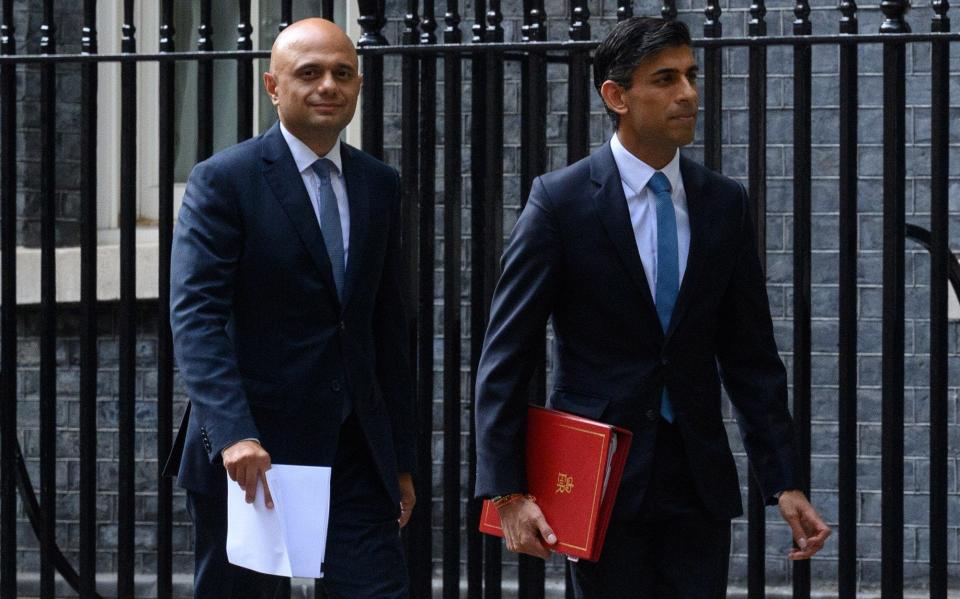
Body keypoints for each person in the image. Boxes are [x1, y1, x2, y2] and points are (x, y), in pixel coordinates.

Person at [474, 16, 830, 598]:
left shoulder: (723, 202)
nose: (688, 93)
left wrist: (784, 480)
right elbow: (505, 357)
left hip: (696, 477)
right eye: (665, 79)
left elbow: (751, 356)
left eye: (691, 75)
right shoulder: (560, 203)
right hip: (599, 478)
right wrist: (507, 492)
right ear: (616, 95)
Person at [166, 18, 415, 599]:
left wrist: (398, 458)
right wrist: (233, 435)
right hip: (255, 456)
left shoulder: (379, 184)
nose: (329, 85)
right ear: (272, 86)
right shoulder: (224, 180)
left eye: (343, 73)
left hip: (354, 449)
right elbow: (196, 316)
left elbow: (386, 326)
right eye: (310, 73)